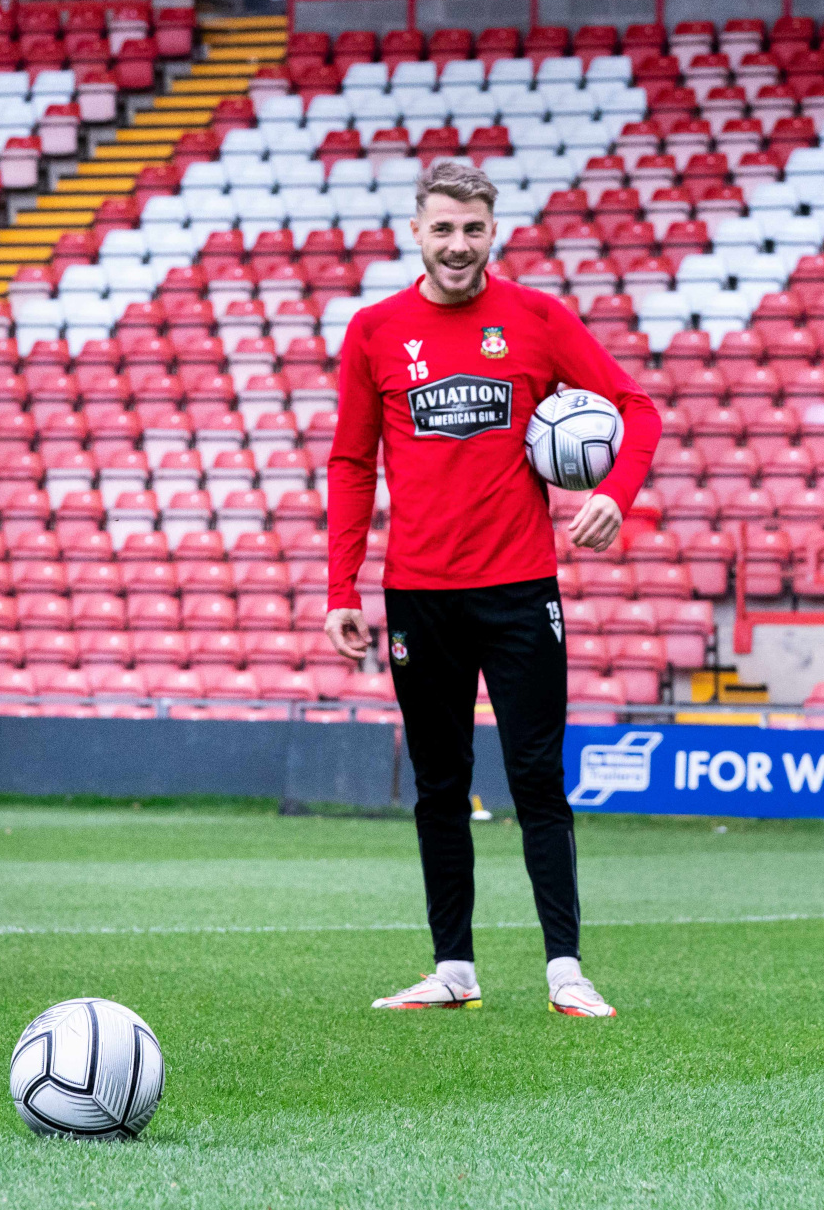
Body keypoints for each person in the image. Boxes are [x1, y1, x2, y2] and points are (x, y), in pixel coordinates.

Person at [325, 160, 662, 1018]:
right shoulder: (374, 330)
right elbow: (352, 461)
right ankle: (453, 970)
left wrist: (615, 495)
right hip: (418, 595)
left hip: (519, 591)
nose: (458, 245)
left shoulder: (537, 319)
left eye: (472, 229)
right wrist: (341, 588)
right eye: (442, 228)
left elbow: (639, 409)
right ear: (416, 231)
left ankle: (566, 972)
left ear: (493, 231)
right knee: (439, 786)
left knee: (538, 778)